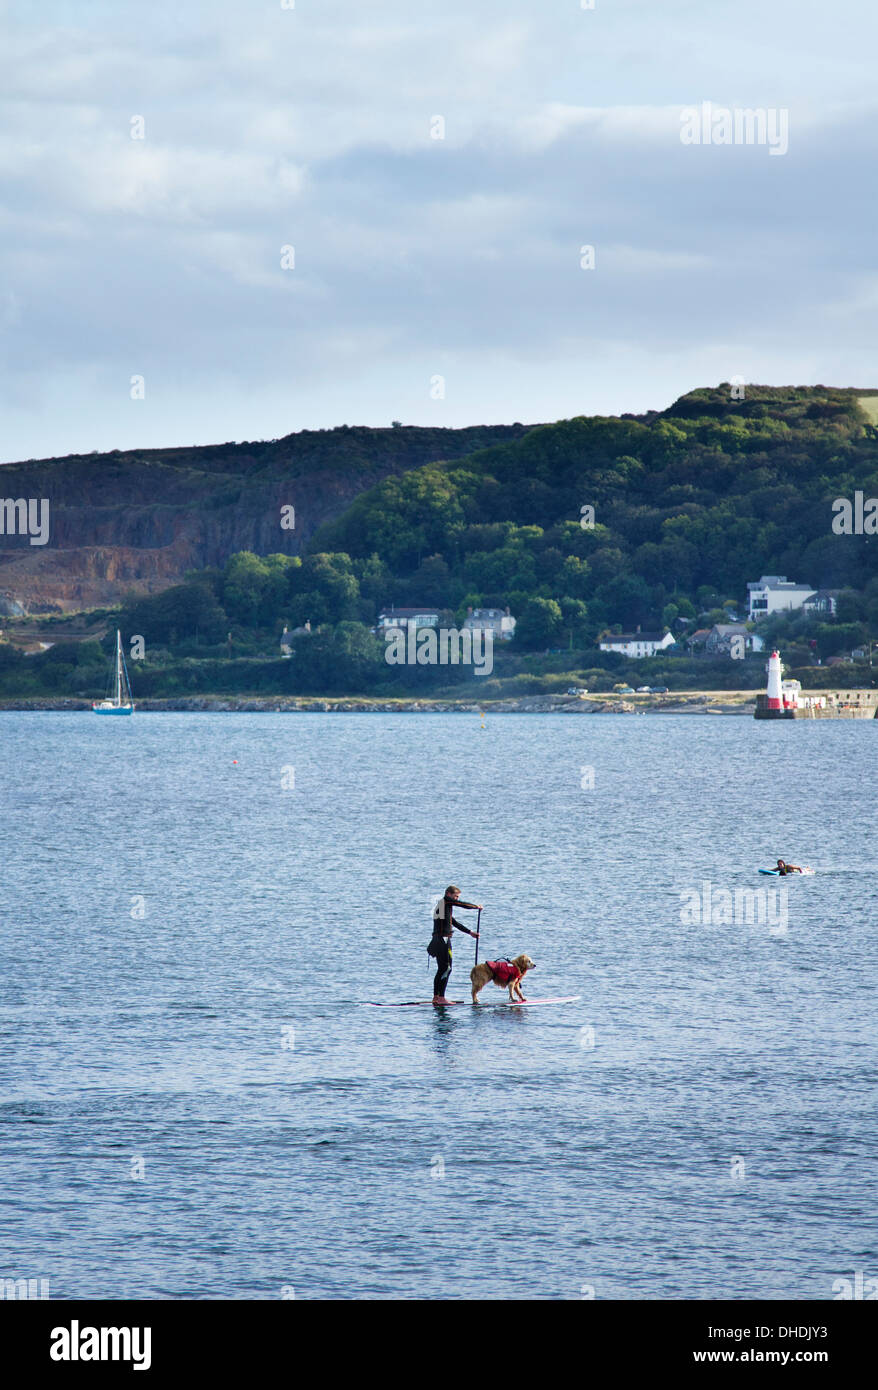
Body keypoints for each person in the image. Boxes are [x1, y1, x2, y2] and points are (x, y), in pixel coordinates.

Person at [429, 885, 482, 1005]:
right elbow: (462, 904)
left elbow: (454, 923)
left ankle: (436, 997)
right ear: (448, 894)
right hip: (443, 941)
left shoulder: (442, 906)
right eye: (455, 897)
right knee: (447, 968)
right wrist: (476, 907)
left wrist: (470, 932)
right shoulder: (445, 902)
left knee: (441, 969)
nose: (457, 899)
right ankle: (441, 998)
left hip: (437, 940)